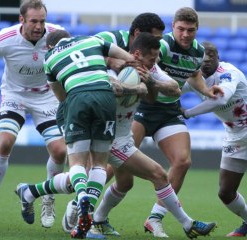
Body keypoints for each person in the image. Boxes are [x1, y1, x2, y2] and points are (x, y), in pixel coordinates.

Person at [16, 32, 217, 240]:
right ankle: (90, 223)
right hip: (100, 128)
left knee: (135, 178)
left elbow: (175, 89)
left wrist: (152, 83)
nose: (155, 63)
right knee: (130, 173)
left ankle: (31, 191)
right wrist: (138, 87)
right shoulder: (111, 66)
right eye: (152, 59)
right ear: (137, 54)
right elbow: (112, 87)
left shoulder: (150, 68)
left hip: (121, 136)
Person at [61, 12, 182, 235]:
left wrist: (150, 81)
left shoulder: (147, 57)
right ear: (137, 35)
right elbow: (86, 57)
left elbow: (173, 89)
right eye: (155, 37)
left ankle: (91, 215)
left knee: (124, 182)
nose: (160, 44)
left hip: (119, 123)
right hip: (91, 112)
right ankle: (80, 213)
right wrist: (116, 65)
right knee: (88, 169)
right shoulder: (110, 38)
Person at [15, 29, 141, 239]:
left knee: (78, 165)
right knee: (99, 164)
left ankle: (79, 203)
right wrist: (121, 65)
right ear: (70, 37)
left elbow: (61, 96)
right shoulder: (92, 40)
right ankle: (77, 210)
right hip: (105, 98)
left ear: (49, 46)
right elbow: (127, 58)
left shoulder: (50, 59)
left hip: (75, 102)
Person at [0, 0, 67, 228]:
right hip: (15, 96)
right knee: (5, 143)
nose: (39, 26)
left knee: (60, 151)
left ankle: (48, 200)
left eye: (42, 21)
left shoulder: (57, 37)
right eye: (33, 21)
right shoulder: (4, 38)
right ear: (21, 20)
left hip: (47, 97)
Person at [130, 8, 223, 237]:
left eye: (190, 30)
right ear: (173, 27)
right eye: (181, 29)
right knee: (117, 161)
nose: (185, 34)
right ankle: (87, 209)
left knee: (182, 161)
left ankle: (155, 218)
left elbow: (194, 74)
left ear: (196, 30)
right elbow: (147, 64)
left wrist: (206, 91)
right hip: (143, 106)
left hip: (169, 111)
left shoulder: (199, 52)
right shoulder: (161, 46)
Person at [182, 42, 247, 237]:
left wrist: (188, 113)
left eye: (212, 55)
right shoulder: (195, 78)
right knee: (225, 192)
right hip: (234, 138)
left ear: (218, 57)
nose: (208, 58)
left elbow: (219, 99)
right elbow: (173, 89)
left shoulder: (228, 72)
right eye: (204, 55)